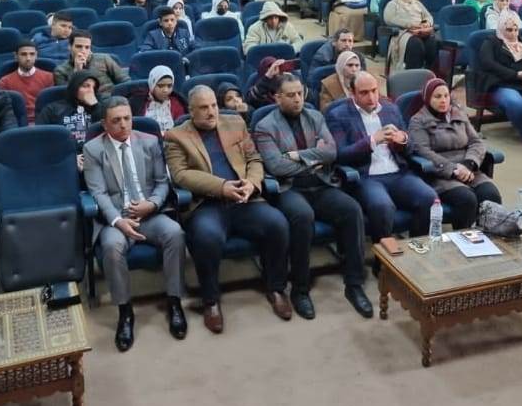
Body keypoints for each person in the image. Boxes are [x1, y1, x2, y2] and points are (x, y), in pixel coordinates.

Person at [164, 85, 292, 332]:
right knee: (207, 237)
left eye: (213, 105)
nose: (211, 112)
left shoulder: (235, 123)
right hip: (206, 204)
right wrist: (221, 187)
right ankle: (211, 301)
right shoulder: (176, 136)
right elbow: (180, 175)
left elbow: (254, 159)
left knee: (277, 224)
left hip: (244, 200)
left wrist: (251, 183)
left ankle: (276, 288)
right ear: (191, 110)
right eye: (204, 107)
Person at [254, 74, 373, 319]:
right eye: (291, 95)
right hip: (290, 189)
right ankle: (300, 289)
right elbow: (277, 167)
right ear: (277, 98)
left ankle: (354, 283)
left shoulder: (315, 116)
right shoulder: (265, 126)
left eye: (300, 93)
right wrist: (313, 158)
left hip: (321, 184)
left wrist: (298, 155)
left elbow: (331, 153)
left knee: (352, 210)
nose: (298, 99)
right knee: (303, 216)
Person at [83, 97, 187, 351]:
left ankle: (174, 301)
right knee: (111, 247)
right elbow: (98, 193)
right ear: (105, 124)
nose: (123, 125)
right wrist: (119, 221)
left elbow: (162, 182)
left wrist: (152, 204)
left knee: (175, 233)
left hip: (149, 214)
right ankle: (125, 311)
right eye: (116, 120)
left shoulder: (149, 142)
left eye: (127, 118)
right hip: (116, 218)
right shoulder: (93, 149)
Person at [326, 72, 438, 241]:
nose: (371, 97)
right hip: (366, 177)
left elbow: (410, 148)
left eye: (374, 91)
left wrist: (402, 140)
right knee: (382, 206)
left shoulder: (390, 109)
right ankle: (383, 255)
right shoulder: (338, 115)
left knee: (429, 198)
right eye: (364, 93)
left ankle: (415, 247)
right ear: (352, 93)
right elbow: (340, 155)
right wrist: (372, 141)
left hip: (398, 173)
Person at [408, 78, 502, 229]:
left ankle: (490, 236)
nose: (443, 100)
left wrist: (469, 164)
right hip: (441, 175)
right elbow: (423, 151)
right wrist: (454, 170)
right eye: (437, 97)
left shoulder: (458, 113)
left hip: (469, 170)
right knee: (467, 199)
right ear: (428, 98)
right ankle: (463, 239)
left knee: (491, 195)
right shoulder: (418, 121)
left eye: (446, 96)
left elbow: (476, 142)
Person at [477, 10, 522, 149]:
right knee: (517, 104)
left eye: (516, 30)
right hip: (502, 83)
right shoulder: (491, 42)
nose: (513, 33)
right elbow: (488, 63)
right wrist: (514, 74)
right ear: (501, 28)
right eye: (509, 30)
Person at [54, 30, 128, 98]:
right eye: (79, 47)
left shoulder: (103, 58)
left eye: (87, 47)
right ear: (70, 47)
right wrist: (77, 71)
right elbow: (67, 97)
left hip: (110, 99)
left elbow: (125, 81)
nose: (83, 51)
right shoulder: (60, 71)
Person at [383, 0, 437, 72]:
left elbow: (428, 16)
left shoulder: (417, 3)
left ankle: (429, 71)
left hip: (421, 30)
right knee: (416, 43)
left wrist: (427, 23)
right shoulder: (392, 4)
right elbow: (389, 19)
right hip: (403, 32)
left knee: (432, 41)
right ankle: (413, 72)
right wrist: (409, 24)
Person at [0, 42, 54, 125]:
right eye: (23, 54)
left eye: (32, 54)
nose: (28, 58)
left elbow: (52, 107)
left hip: (44, 122)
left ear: (36, 55)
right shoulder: (5, 81)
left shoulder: (49, 77)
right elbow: (4, 111)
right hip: (17, 124)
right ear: (16, 56)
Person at [131, 66, 186, 134]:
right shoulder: (138, 102)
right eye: (160, 86)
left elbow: (181, 127)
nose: (165, 90)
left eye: (169, 86)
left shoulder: (177, 103)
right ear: (152, 85)